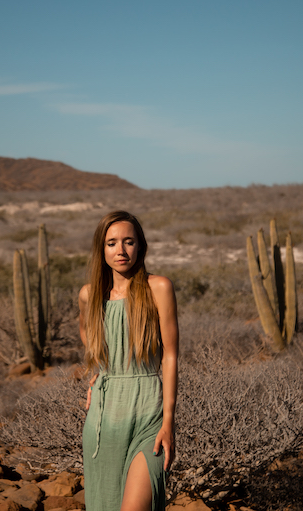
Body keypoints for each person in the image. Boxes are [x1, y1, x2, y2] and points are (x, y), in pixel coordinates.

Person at [79, 211, 179, 511]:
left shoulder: (158, 287)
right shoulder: (89, 295)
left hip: (149, 410)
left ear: (140, 246)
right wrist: (101, 370)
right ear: (102, 249)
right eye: (112, 243)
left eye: (128, 242)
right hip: (105, 415)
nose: (121, 251)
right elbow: (88, 333)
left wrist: (169, 421)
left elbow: (171, 355)